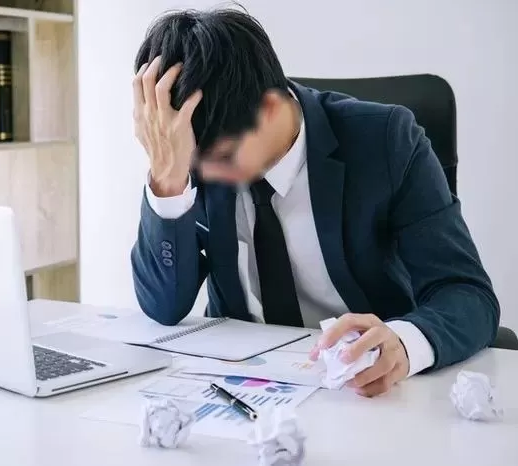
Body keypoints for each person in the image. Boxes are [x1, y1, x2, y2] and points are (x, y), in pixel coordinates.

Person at [129, 6, 499, 397]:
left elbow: (468, 295)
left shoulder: (387, 140)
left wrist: (405, 342)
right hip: (243, 387)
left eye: (222, 159)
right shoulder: (185, 153)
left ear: (270, 110)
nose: (205, 176)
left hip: (364, 391)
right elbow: (164, 306)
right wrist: (167, 177)